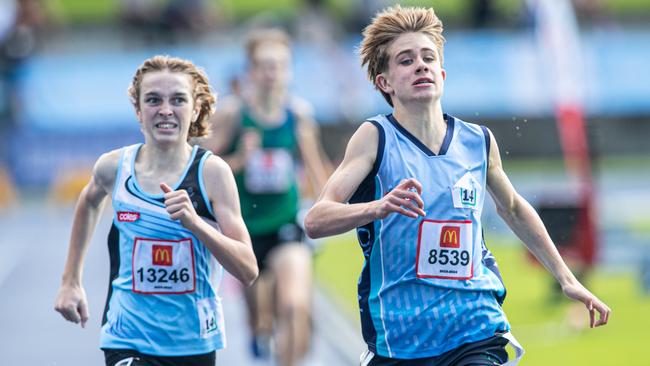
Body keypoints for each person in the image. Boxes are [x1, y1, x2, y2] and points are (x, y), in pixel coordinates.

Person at [304, 5, 611, 365]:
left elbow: (512, 207)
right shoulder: (374, 138)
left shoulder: (477, 141)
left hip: (474, 327)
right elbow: (315, 220)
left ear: (443, 73)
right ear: (383, 82)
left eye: (428, 57)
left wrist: (565, 277)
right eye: (405, 60)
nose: (420, 65)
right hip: (401, 337)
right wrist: (378, 207)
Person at [54, 55, 258, 366]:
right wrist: (71, 281)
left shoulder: (212, 174)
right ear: (138, 110)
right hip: (126, 338)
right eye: (153, 100)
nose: (165, 110)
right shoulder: (114, 168)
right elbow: (89, 200)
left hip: (193, 343)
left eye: (178, 100)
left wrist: (196, 224)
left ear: (195, 109)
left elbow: (247, 270)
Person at [202, 28, 331, 366]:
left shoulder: (299, 114)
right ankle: (259, 330)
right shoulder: (232, 114)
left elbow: (316, 169)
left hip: (286, 223)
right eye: (264, 65)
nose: (272, 73)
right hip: (242, 231)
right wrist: (240, 160)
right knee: (259, 317)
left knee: (294, 306)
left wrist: (327, 207)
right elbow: (200, 170)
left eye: (280, 65)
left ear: (288, 70)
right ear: (251, 71)